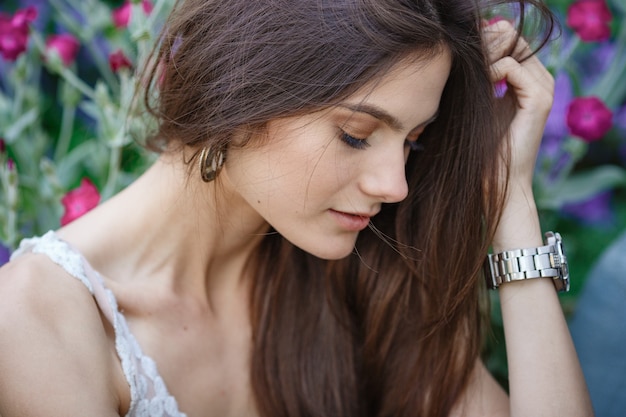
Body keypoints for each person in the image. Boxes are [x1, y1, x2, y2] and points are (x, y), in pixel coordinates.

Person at [0, 0, 594, 416]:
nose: (396, 186)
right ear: (237, 87)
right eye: (357, 135)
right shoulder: (38, 326)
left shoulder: (357, 274)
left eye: (412, 142)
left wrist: (508, 197)